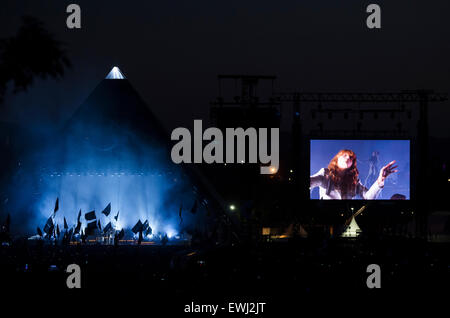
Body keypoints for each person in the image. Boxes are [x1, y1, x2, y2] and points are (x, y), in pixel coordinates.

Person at [310, 149, 397, 200]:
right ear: (337, 159)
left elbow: (368, 197)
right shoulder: (325, 174)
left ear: (352, 163)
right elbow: (311, 181)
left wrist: (380, 180)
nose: (348, 158)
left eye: (351, 158)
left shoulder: (354, 181)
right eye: (344, 155)